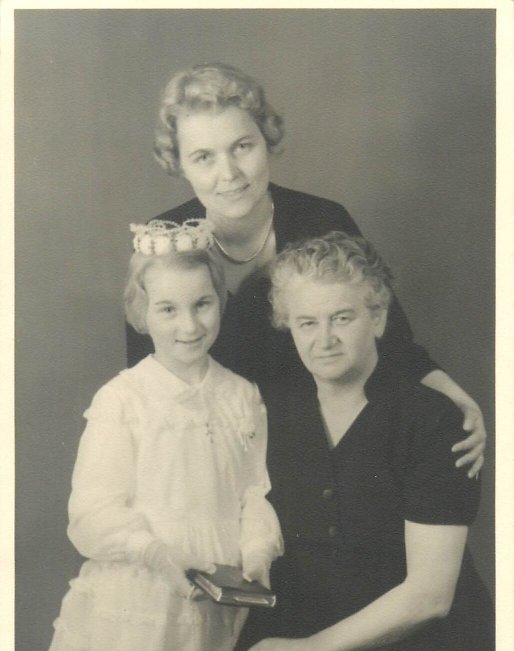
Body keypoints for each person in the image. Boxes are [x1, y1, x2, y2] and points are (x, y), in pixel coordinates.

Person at [193, 232, 494, 651]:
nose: (324, 339)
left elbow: (430, 597)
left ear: (378, 319)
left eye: (343, 318)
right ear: (288, 327)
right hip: (306, 621)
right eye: (307, 323)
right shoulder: (273, 408)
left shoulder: (432, 420)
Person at [126, 62, 485, 477]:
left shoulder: (320, 219)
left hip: (321, 454)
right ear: (180, 164)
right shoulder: (164, 242)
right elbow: (145, 381)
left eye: (242, 146)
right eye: (203, 157)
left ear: (267, 140)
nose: (229, 174)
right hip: (213, 461)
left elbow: (390, 337)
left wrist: (454, 395)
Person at [28, 219, 283, 651]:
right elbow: (92, 514)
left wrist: (256, 554)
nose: (189, 326)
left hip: (223, 593)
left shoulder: (242, 396)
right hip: (147, 599)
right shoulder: (125, 400)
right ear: (140, 312)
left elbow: (254, 493)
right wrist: (161, 559)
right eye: (168, 310)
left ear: (221, 303)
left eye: (203, 305)